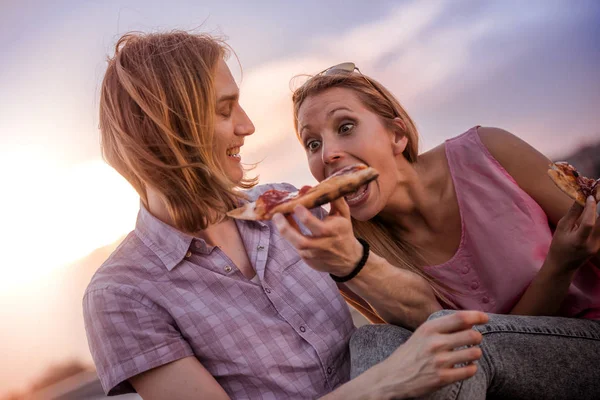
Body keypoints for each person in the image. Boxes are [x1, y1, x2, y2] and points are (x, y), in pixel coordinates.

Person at [83, 31, 489, 400]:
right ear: (166, 129)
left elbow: (428, 314)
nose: (248, 126)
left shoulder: (291, 207)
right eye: (225, 111)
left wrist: (352, 261)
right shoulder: (120, 294)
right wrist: (386, 382)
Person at [276, 62, 600, 324]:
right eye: (312, 143)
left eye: (345, 127)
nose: (327, 155)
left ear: (397, 135)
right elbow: (470, 356)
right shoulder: (352, 255)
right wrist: (559, 263)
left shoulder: (489, 151)